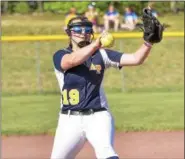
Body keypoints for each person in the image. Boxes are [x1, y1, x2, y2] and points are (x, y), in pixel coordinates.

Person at [51, 16, 155, 159]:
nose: (83, 33)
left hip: (97, 116)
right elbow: (71, 61)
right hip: (69, 120)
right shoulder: (61, 55)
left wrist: (148, 43)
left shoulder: (101, 54)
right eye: (77, 29)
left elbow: (135, 59)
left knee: (106, 152)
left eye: (87, 29)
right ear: (68, 32)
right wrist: (95, 45)